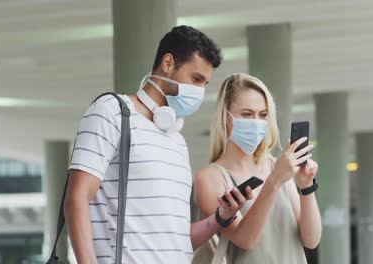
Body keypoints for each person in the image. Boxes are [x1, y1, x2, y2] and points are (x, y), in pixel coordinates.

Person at [64, 26, 252, 263]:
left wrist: (220, 218)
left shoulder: (176, 141)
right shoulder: (112, 112)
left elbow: (177, 240)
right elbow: (77, 197)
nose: (199, 91)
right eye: (195, 79)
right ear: (168, 63)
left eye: (204, 84)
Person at [195, 73, 322, 263]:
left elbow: (311, 240)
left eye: (263, 115)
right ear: (225, 117)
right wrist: (274, 181)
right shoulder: (210, 178)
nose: (256, 122)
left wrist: (306, 188)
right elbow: (245, 240)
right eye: (247, 114)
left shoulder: (275, 167)